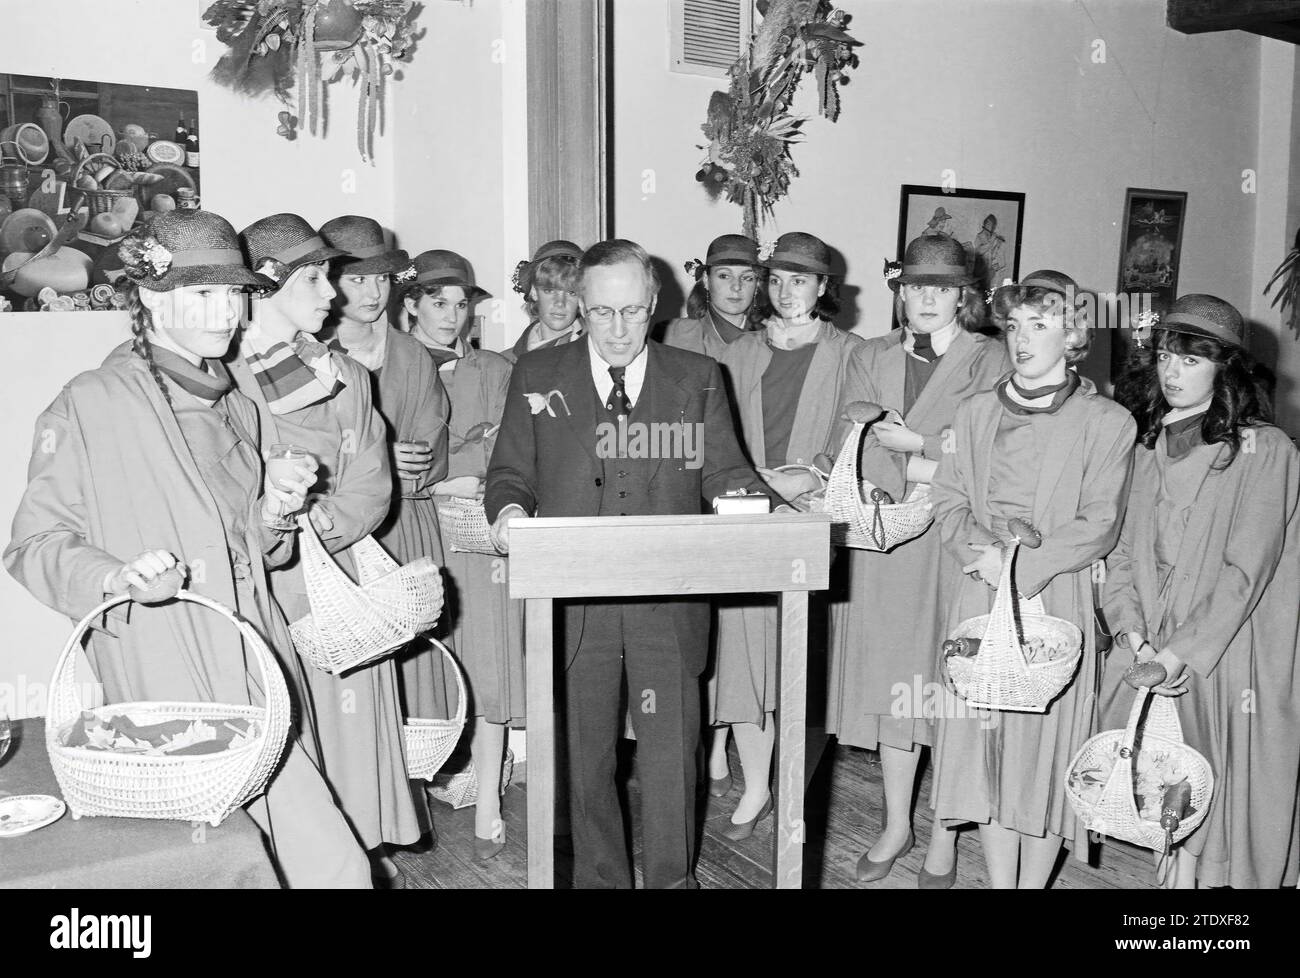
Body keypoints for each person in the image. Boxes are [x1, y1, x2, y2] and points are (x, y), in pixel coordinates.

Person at [4, 211, 371, 887]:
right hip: (167, 689)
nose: (224, 312)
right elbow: (33, 545)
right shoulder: (91, 403)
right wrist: (115, 577)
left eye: (233, 292)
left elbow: (257, 551)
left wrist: (273, 512)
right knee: (218, 870)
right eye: (202, 293)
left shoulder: (240, 404)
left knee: (335, 868)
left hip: (259, 672)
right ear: (150, 295)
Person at [484, 238, 783, 888]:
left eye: (631, 312)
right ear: (581, 309)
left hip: (668, 607)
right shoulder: (538, 377)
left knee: (672, 759)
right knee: (585, 763)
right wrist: (508, 514)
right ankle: (601, 881)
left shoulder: (696, 378)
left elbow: (727, 470)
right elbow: (509, 473)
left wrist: (757, 503)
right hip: (573, 610)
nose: (617, 330)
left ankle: (675, 880)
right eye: (601, 313)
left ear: (653, 304)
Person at [228, 213, 419, 886]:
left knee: (351, 745)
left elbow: (373, 486)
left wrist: (317, 533)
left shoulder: (348, 375)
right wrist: (282, 533)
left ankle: (358, 863)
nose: (332, 294)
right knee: (289, 750)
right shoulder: (226, 382)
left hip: (342, 593)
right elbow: (231, 495)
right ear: (265, 287)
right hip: (267, 596)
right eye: (314, 279)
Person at [928, 270, 1136, 888]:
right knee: (986, 750)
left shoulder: (1107, 421)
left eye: (1040, 325)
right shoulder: (972, 414)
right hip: (979, 588)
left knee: (1043, 753)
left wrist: (1020, 568)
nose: (1022, 339)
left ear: (1073, 335)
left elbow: (1100, 522)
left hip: (1054, 596)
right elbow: (947, 498)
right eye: (1014, 325)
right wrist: (983, 555)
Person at [1100, 294, 1300, 889]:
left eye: (1191, 360)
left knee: (1219, 778)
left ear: (1225, 369)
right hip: (1152, 638)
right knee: (1168, 770)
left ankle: (1197, 887)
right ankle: (1176, 873)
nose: (1171, 371)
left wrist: (1175, 654)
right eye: (1165, 355)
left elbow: (1246, 572)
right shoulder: (1145, 443)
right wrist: (1132, 634)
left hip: (1224, 648)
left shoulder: (1266, 451)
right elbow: (1123, 553)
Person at [828, 235, 1007, 887]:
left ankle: (943, 836)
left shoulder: (990, 358)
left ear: (963, 295)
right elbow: (847, 439)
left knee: (950, 693)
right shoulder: (871, 356)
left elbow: (998, 448)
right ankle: (896, 822)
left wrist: (920, 444)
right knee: (894, 691)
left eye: (941, 287)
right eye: (914, 286)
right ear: (898, 292)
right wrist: (875, 482)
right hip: (889, 542)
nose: (926, 298)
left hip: (956, 543)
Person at [707, 231, 864, 837]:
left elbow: (859, 430)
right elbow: (717, 431)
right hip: (745, 515)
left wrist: (812, 472)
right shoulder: (739, 352)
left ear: (823, 288)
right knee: (742, 649)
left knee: (793, 656)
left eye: (800, 280)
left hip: (809, 517)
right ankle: (756, 786)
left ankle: (791, 778)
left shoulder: (850, 352)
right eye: (776, 279)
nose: (784, 291)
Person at [319, 217, 453, 849]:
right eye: (355, 277)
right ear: (328, 280)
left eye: (379, 277)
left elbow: (435, 438)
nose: (372, 292)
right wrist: (374, 461)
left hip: (411, 525)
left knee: (415, 663)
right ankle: (352, 816)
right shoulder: (309, 356)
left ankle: (407, 804)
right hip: (349, 539)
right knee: (358, 676)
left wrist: (416, 461)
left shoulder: (410, 354)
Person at [401, 247, 524, 861]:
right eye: (438, 303)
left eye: (461, 304)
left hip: (477, 535)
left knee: (488, 656)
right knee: (423, 661)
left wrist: (459, 470)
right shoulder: (390, 367)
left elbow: (510, 443)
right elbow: (389, 456)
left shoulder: (495, 369)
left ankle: (488, 797)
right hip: (415, 531)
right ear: (412, 306)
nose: (452, 316)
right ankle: (410, 792)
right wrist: (439, 477)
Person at [662, 233, 762, 360]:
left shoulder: (773, 336)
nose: (736, 286)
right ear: (706, 280)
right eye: (724, 276)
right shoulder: (677, 335)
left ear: (757, 284)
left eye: (747, 278)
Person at [502, 239, 585, 364]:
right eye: (550, 291)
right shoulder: (506, 364)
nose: (560, 303)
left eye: (571, 293)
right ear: (534, 292)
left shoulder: (596, 354)